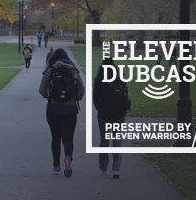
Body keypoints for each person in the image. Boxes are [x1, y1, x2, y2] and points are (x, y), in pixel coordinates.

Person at [39, 48, 85, 177]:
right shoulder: (73, 71)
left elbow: (42, 90)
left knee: (55, 138)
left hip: (53, 109)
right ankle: (68, 158)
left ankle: (56, 166)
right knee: (68, 139)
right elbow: (81, 90)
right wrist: (76, 98)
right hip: (70, 110)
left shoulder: (50, 70)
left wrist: (48, 97)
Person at [93, 57, 130, 179]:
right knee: (116, 140)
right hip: (119, 115)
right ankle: (116, 169)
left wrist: (101, 110)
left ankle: (103, 167)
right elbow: (126, 96)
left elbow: (96, 99)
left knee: (104, 140)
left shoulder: (99, 80)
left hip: (104, 115)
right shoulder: (120, 78)